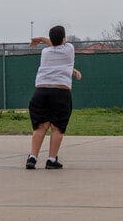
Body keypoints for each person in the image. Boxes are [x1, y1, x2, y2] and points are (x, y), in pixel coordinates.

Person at [26, 25, 82, 169]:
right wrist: (41, 39)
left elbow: (53, 44)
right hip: (60, 92)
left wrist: (39, 39)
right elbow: (57, 45)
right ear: (64, 39)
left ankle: (32, 157)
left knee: (41, 127)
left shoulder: (45, 52)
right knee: (57, 128)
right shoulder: (69, 49)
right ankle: (51, 160)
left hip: (41, 92)